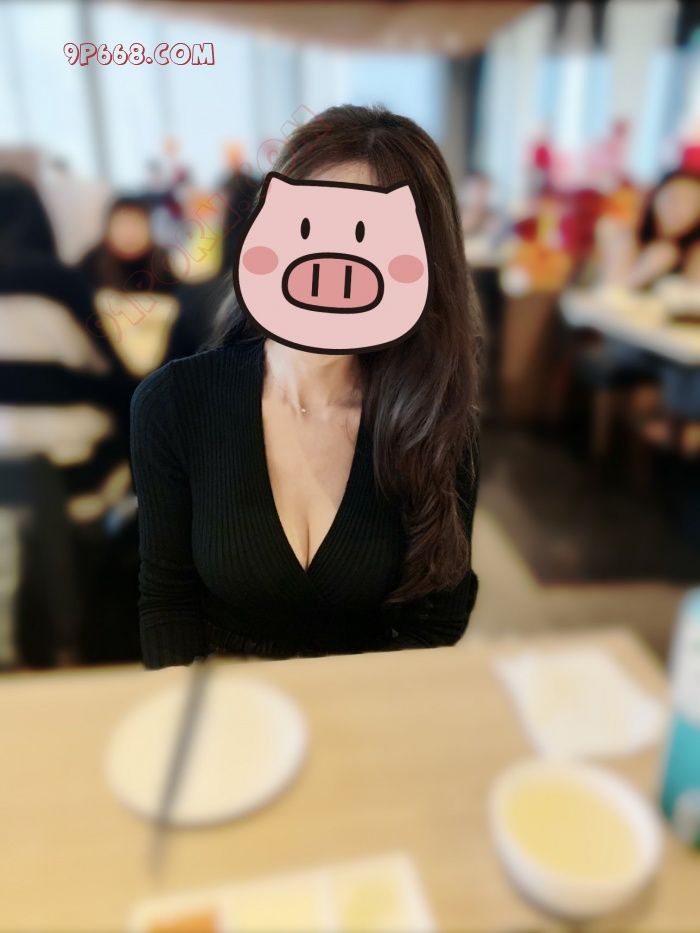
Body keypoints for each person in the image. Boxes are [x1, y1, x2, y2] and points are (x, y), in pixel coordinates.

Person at [130, 105, 483, 669]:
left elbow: (437, 616)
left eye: (368, 239)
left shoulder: (434, 420)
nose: (335, 266)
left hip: (370, 702)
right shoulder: (173, 404)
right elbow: (166, 600)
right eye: (307, 229)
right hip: (227, 701)